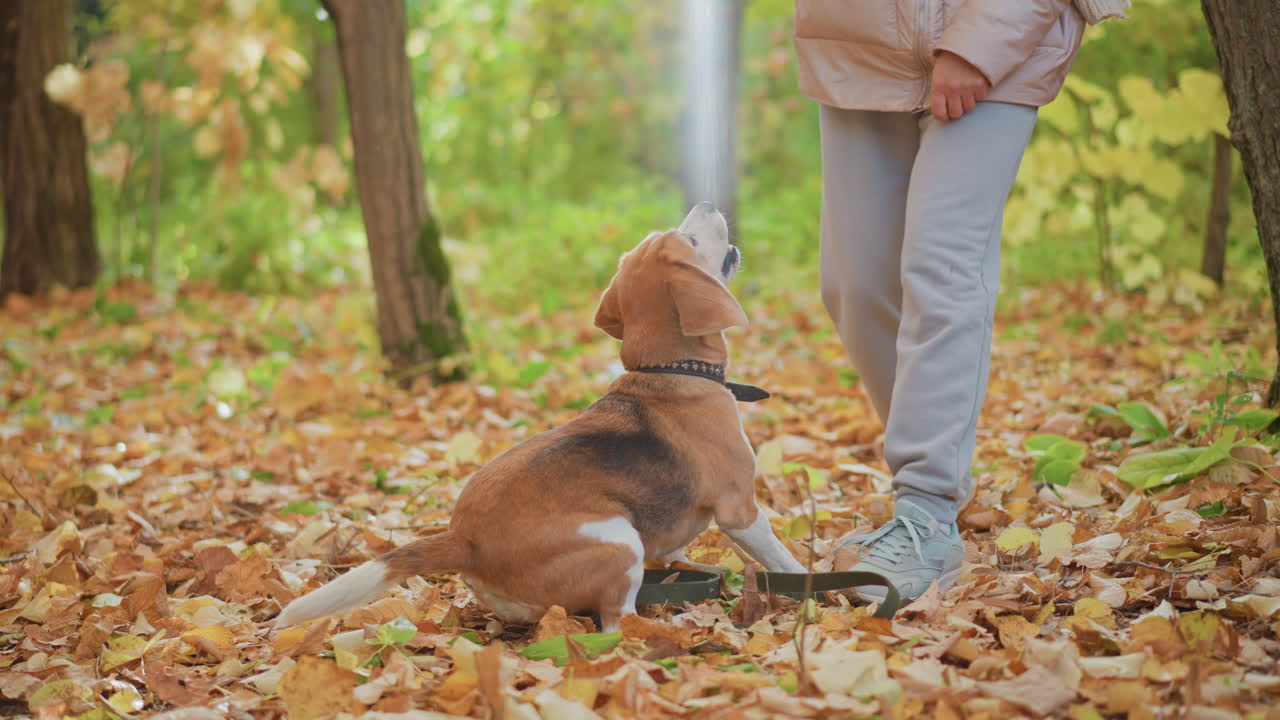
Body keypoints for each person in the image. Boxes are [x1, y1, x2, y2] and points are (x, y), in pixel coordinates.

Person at [793, 1, 1085, 601]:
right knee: (855, 284)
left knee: (942, 266)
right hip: (858, 41)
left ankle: (927, 513)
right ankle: (945, 471)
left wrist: (978, 45)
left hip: (998, 42)